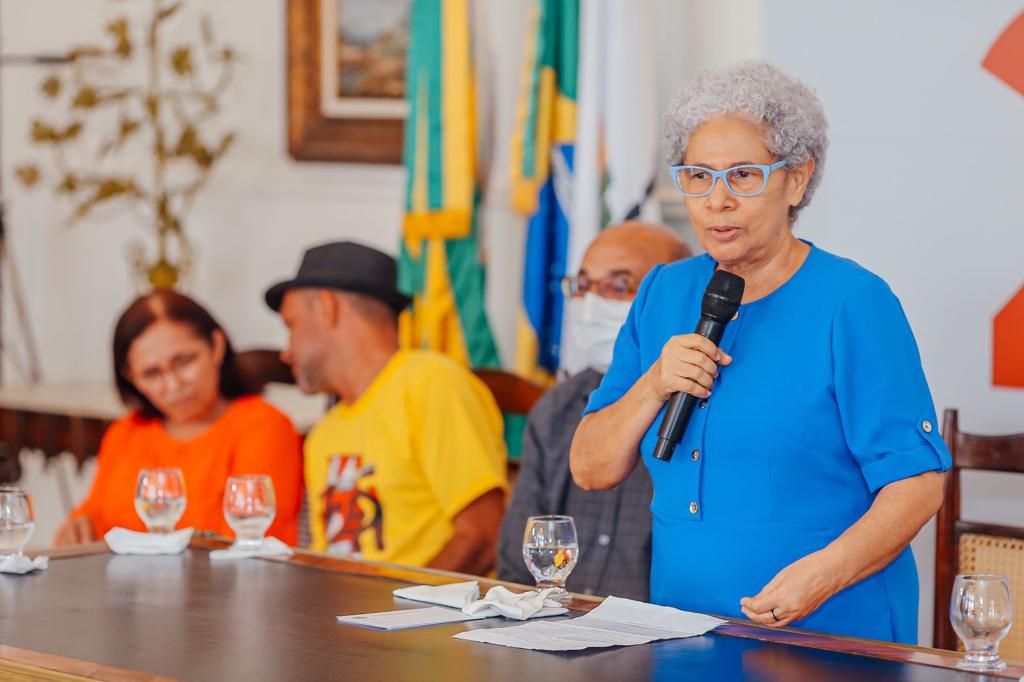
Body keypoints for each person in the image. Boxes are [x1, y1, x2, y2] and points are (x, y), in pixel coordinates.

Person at [569, 61, 951, 644]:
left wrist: (823, 575)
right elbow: (590, 468)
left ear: (797, 180)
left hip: (829, 628)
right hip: (682, 629)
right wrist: (652, 385)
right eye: (697, 176)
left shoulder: (853, 302)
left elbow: (918, 484)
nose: (717, 201)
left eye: (744, 175)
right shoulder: (664, 291)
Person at [265, 241, 507, 574]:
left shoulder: (432, 383)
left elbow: (483, 536)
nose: (286, 352)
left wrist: (397, 613)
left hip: (425, 622)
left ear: (326, 307)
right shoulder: (325, 433)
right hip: (338, 621)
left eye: (291, 326)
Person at [497, 221, 690, 600]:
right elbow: (516, 565)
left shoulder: (706, 404)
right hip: (557, 629)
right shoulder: (558, 407)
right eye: (582, 286)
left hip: (662, 640)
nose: (592, 303)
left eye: (619, 286)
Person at [55, 291, 303, 546]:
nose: (173, 385)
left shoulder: (263, 427)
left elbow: (248, 546)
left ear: (216, 346)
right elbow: (90, 521)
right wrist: (75, 531)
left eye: (184, 361)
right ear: (131, 377)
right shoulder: (125, 432)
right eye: (152, 373)